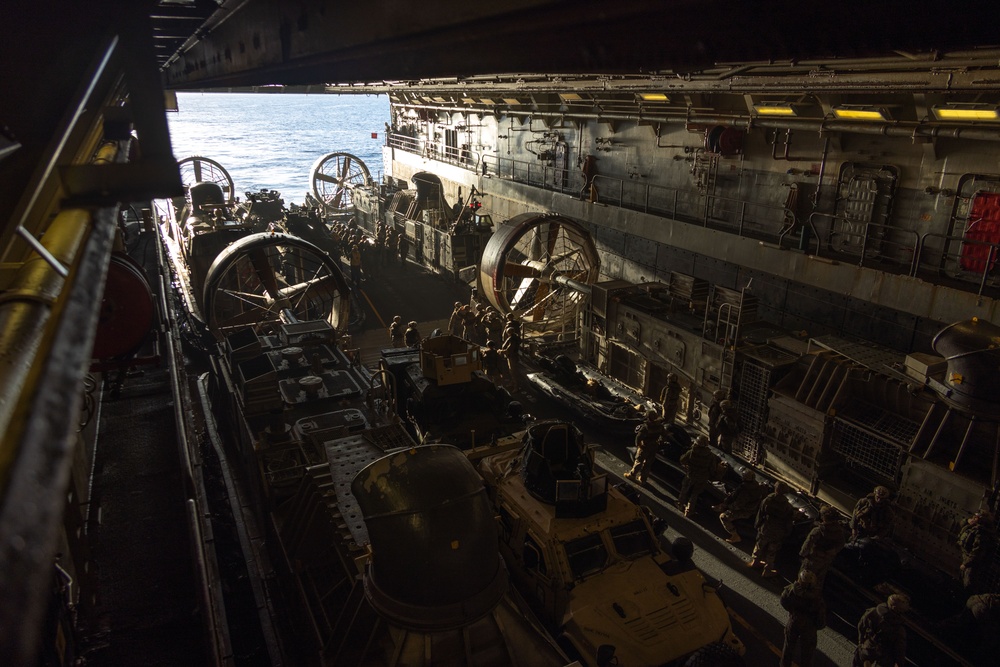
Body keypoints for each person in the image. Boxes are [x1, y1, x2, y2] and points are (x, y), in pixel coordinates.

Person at [780, 569, 826, 667]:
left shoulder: (791, 590)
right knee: (807, 653)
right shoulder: (816, 598)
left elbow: (783, 601)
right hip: (809, 627)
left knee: (788, 647)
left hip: (794, 621)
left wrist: (792, 612)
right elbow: (821, 618)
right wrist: (816, 626)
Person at [749, 481, 795, 578]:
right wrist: (787, 533)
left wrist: (757, 525)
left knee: (759, 546)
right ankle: (767, 570)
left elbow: (760, 514)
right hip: (778, 532)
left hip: (765, 528)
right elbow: (788, 522)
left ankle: (755, 562)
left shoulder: (767, 500)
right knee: (772, 551)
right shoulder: (788, 507)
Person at [799, 505, 848, 589]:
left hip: (813, 559)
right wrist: (833, 551)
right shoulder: (839, 532)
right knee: (818, 580)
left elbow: (808, 543)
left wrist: (803, 554)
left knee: (804, 578)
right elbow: (841, 543)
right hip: (826, 560)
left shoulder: (818, 531)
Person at [714, 467, 767, 543]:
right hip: (752, 508)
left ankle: (735, 535)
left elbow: (738, 505)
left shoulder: (745, 491)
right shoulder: (757, 486)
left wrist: (726, 506)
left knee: (723, 517)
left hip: (745, 511)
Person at [854, 594, 909, 667]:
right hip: (884, 653)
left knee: (860, 659)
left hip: (869, 646)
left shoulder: (873, 611)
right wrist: (899, 663)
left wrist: (861, 641)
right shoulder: (899, 629)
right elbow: (900, 649)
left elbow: (861, 625)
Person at [677, 435, 721, 517]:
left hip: (691, 475)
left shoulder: (691, 452)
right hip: (702, 477)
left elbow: (682, 460)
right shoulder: (710, 455)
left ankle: (680, 504)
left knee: (684, 490)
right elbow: (713, 468)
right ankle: (689, 510)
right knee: (695, 494)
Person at [958, 509, 997, 594]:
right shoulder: (974, 527)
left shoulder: (981, 534)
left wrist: (966, 564)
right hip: (967, 558)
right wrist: (967, 521)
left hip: (973, 564)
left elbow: (977, 553)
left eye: (976, 517)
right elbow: (962, 524)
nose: (974, 518)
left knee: (969, 584)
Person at [624, 411, 664, 484]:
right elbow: (664, 435)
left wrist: (638, 444)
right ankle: (643, 479)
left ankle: (632, 475)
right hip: (654, 446)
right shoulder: (660, 426)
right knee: (648, 463)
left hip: (645, 446)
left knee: (639, 461)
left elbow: (638, 437)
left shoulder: (646, 427)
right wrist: (659, 442)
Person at [500, 325, 522, 392]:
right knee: (512, 371)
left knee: (513, 372)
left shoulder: (512, 339)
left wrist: (501, 351)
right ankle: (513, 383)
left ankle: (516, 386)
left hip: (512, 357)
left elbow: (509, 349)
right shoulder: (516, 337)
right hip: (514, 356)